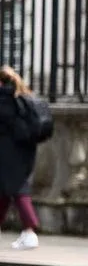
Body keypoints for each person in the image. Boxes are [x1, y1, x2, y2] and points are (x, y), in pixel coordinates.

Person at [0, 66, 42, 250]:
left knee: (18, 190)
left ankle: (29, 231)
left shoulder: (3, 99)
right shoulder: (22, 96)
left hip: (9, 152)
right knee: (4, 191)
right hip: (24, 151)